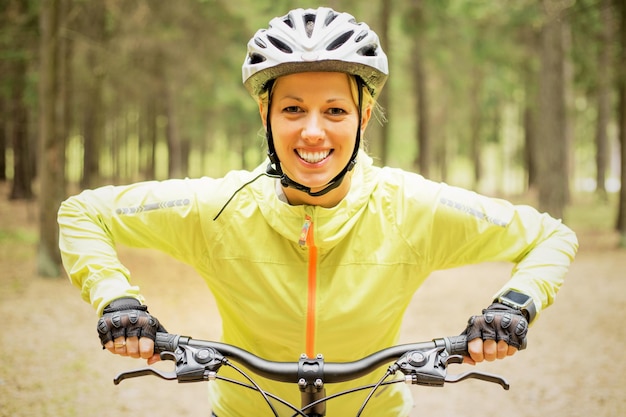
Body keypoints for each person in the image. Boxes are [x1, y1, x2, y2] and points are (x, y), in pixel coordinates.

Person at [58, 7, 578, 417]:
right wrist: (118, 301)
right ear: (265, 114)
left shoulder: (411, 208)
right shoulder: (218, 208)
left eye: (334, 110)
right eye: (292, 109)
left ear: (364, 115)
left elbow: (549, 237)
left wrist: (511, 308)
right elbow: (83, 213)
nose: (312, 131)